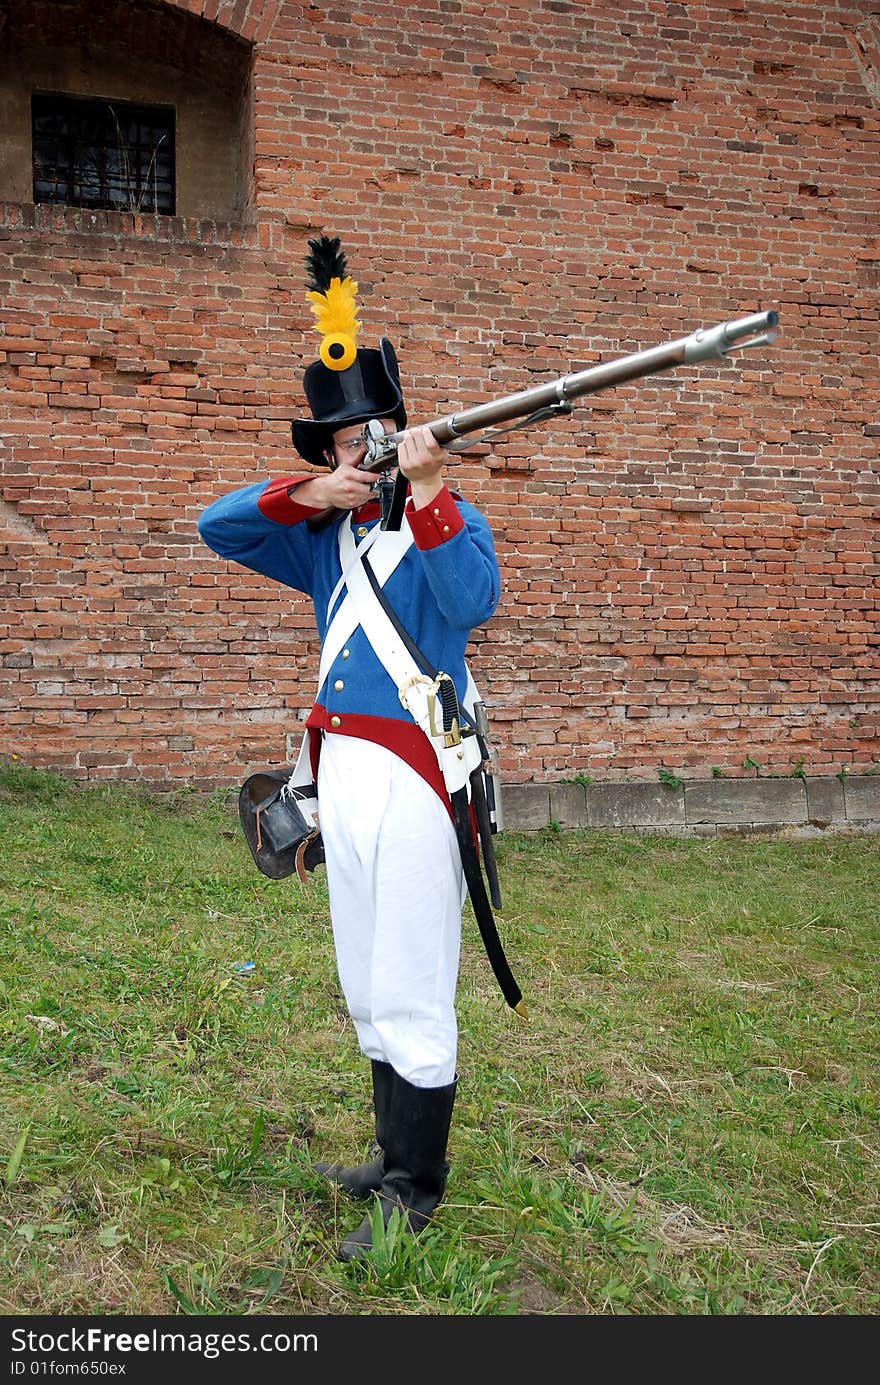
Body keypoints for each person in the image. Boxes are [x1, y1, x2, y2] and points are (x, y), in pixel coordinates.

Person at [197, 237, 501, 1262]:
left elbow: (473, 604)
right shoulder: (323, 533)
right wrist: (304, 494)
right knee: (365, 978)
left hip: (419, 775)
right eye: (335, 444)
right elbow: (218, 525)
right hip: (341, 777)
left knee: (411, 979)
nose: (350, 452)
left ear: (399, 433)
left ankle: (414, 1188)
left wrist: (425, 494)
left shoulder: (442, 521)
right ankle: (388, 1152)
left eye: (364, 435)